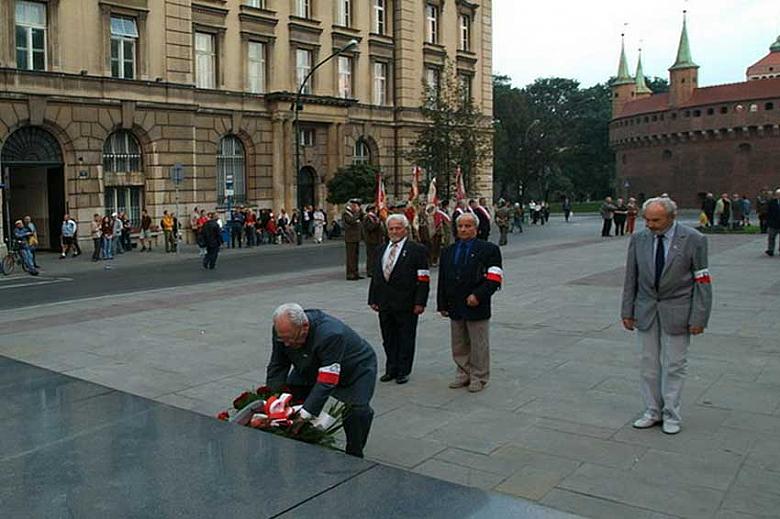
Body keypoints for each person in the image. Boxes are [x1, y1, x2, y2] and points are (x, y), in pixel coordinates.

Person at [621, 197, 712, 435]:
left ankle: (672, 413)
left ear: (672, 217)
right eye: (647, 220)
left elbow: (702, 280)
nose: (650, 225)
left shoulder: (694, 240)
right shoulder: (638, 239)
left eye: (656, 220)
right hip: (646, 309)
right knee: (648, 364)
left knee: (674, 364)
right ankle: (652, 410)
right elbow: (631, 277)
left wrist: (699, 317)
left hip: (679, 310)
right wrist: (627, 311)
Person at [266, 303, 377, 458]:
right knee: (292, 395)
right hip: (310, 362)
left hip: (355, 368)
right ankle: (303, 441)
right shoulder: (283, 330)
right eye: (282, 339)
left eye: (291, 339)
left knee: (357, 411)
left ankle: (354, 454)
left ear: (304, 327)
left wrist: (305, 415)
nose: (286, 344)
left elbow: (327, 380)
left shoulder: (331, 334)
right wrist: (272, 401)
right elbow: (278, 365)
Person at [437, 212, 503, 393]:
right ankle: (463, 373)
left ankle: (479, 376)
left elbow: (494, 278)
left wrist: (479, 295)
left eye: (468, 226)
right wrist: (442, 304)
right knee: (459, 343)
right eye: (460, 226)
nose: (464, 229)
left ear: (476, 228)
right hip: (455, 303)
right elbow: (443, 279)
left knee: (478, 343)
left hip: (476, 303)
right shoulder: (448, 251)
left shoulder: (489, 249)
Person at [368, 214, 429, 384]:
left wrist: (420, 302)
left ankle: (403, 370)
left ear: (405, 229)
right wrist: (373, 298)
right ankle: (391, 368)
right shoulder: (381, 249)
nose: (394, 231)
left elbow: (423, 278)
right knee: (388, 337)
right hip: (385, 302)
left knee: (405, 337)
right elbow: (376, 276)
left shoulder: (417, 249)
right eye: (391, 228)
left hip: (407, 302)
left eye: (398, 228)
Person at [343, 199, 364, 280]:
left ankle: (355, 273)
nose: (356, 207)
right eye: (355, 205)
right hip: (350, 238)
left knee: (355, 257)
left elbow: (361, 217)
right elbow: (351, 221)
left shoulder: (354, 213)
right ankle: (350, 274)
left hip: (356, 238)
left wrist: (360, 211)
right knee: (351, 257)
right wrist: (357, 213)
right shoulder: (346, 213)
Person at [362, 206, 385, 278]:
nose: (376, 210)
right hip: (371, 240)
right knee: (371, 256)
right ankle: (370, 271)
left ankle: (375, 270)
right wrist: (377, 223)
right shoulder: (367, 217)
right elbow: (370, 227)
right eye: (374, 209)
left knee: (376, 256)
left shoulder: (375, 217)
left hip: (377, 240)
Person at [766, 188, 780, 257]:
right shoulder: (772, 202)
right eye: (778, 194)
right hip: (773, 223)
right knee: (771, 237)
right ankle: (770, 250)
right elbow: (769, 213)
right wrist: (768, 222)